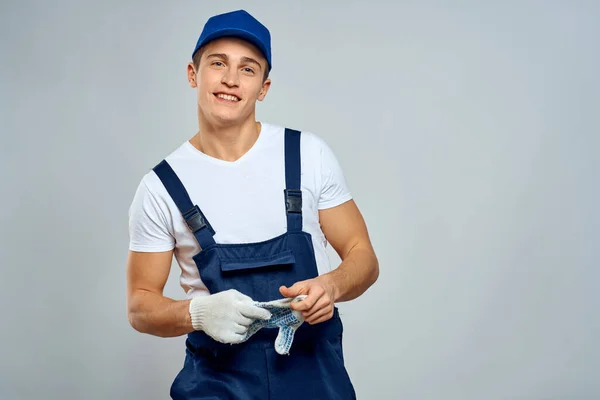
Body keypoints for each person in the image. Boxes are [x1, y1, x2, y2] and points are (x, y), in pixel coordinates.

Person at [126, 9, 379, 400]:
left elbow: (363, 257)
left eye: (248, 69)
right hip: (216, 382)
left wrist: (330, 286)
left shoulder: (308, 155)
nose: (230, 79)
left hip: (315, 379)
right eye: (218, 63)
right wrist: (198, 314)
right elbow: (140, 306)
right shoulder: (161, 187)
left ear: (263, 87)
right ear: (193, 74)